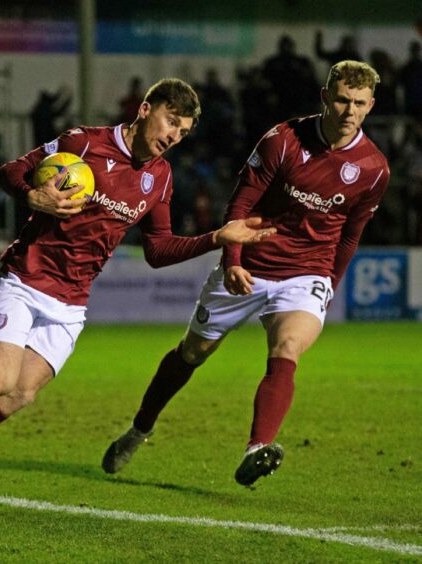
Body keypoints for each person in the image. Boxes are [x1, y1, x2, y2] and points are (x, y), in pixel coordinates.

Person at [0, 78, 276, 500]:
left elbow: (157, 251)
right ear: (145, 110)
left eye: (182, 132)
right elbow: (10, 171)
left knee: (18, 394)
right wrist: (33, 196)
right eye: (170, 121)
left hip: (71, 302)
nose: (173, 136)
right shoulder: (82, 143)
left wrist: (217, 237)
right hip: (25, 277)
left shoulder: (159, 178)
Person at [102, 61, 390, 487]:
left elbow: (350, 237)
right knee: (192, 354)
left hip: (307, 272)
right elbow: (240, 207)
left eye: (360, 104)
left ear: (370, 106)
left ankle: (258, 448)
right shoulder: (283, 140)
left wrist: (330, 285)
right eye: (344, 100)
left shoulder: (373, 168)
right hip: (250, 265)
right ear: (326, 97)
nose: (350, 111)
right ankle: (140, 429)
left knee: (287, 347)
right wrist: (233, 260)